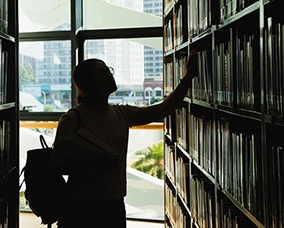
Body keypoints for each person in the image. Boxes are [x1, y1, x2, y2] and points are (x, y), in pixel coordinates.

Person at [53, 52, 198, 228]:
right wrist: (94, 162)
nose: (109, 75)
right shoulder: (73, 118)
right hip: (81, 206)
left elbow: (163, 109)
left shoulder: (121, 113)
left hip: (113, 203)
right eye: (102, 72)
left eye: (108, 70)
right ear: (88, 83)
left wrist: (189, 77)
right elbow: (58, 164)